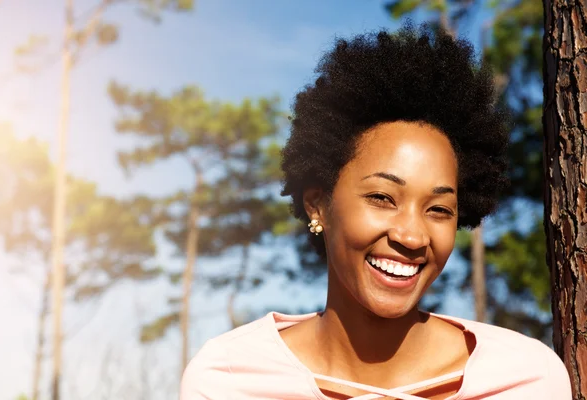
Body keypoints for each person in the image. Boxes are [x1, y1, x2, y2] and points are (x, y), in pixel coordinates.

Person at [181, 24, 572, 399]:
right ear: (317, 203)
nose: (412, 236)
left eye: (438, 208)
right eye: (382, 198)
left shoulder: (525, 379)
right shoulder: (228, 380)